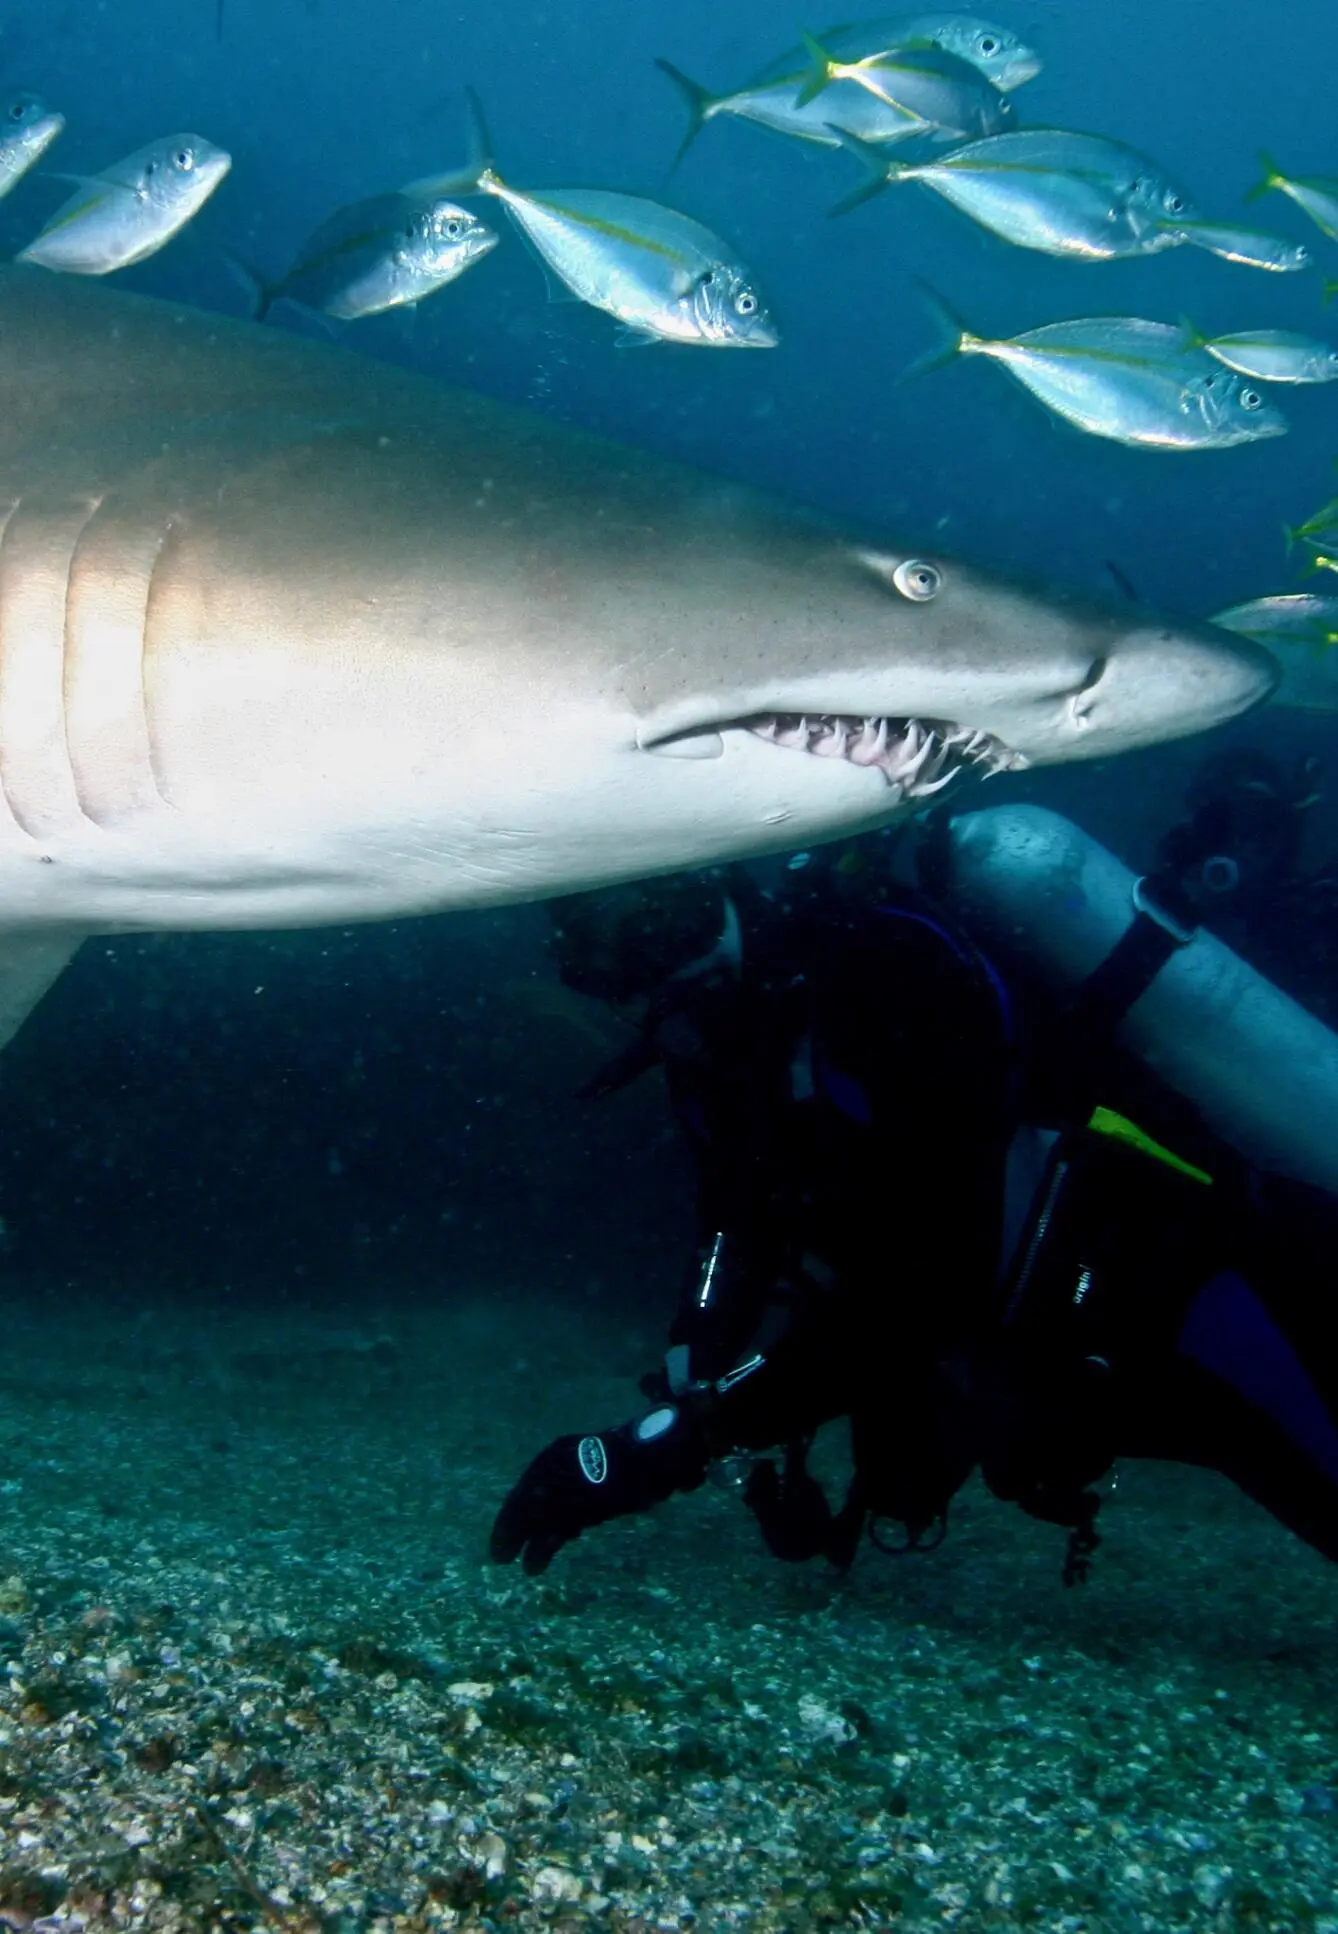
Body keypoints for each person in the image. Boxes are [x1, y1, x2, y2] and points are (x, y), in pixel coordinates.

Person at [489, 820, 1338, 1586]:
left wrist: (668, 1444)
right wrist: (694, 1358)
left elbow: (928, 1281)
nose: (631, 965)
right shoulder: (723, 1043)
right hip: (1047, 1331)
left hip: (1178, 1275)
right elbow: (736, 1212)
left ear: (708, 886)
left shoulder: (888, 968)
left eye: (643, 918)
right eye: (590, 945)